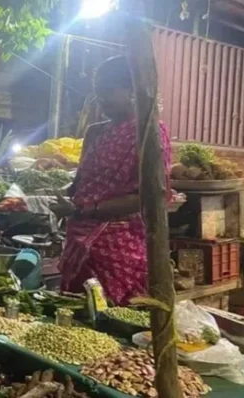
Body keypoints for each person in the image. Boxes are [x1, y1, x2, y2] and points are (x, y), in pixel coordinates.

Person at [53, 56, 171, 306]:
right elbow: (81, 183)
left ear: (131, 90)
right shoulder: (95, 132)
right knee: (74, 309)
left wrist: (83, 208)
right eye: (98, 93)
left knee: (112, 315)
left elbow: (149, 196)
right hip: (79, 237)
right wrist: (61, 196)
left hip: (119, 244)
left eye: (108, 91)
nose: (101, 99)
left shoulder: (149, 134)